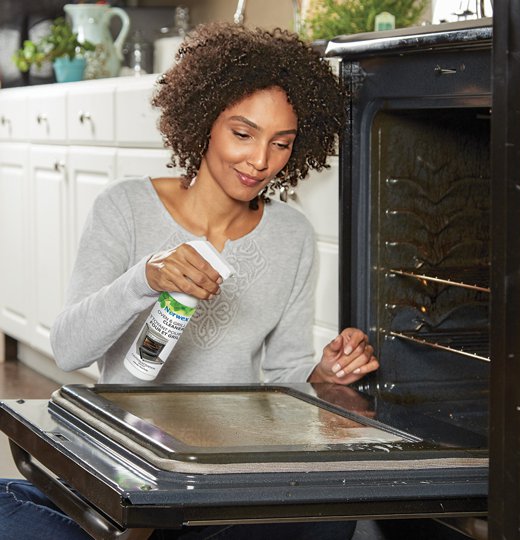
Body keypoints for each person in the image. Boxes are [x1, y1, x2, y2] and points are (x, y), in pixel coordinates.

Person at [0, 22, 378, 540]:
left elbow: (287, 374)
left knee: (330, 520)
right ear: (204, 120)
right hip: (128, 464)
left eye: (281, 144)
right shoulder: (126, 207)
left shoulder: (292, 234)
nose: (260, 161)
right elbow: (68, 350)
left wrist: (324, 373)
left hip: (224, 476)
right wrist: (145, 278)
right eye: (242, 134)